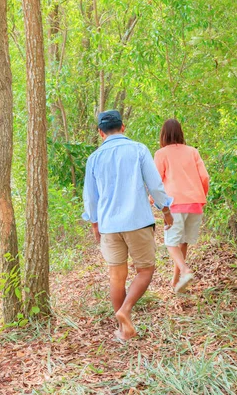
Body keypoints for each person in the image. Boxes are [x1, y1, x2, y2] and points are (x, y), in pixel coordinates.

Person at [82, 110, 174, 341]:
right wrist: (166, 210)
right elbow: (155, 185)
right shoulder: (138, 150)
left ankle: (124, 330)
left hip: (109, 225)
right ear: (123, 127)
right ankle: (125, 310)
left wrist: (95, 224)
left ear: (100, 132)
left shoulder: (94, 158)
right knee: (145, 270)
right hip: (138, 222)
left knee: (116, 276)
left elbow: (90, 197)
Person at [154, 119, 209, 293]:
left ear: (163, 135)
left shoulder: (161, 153)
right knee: (183, 242)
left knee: (170, 243)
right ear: (181, 133)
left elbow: (156, 181)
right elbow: (205, 177)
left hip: (175, 204)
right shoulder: (193, 151)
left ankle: (185, 271)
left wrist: (152, 198)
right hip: (195, 203)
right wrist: (201, 196)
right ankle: (176, 282)